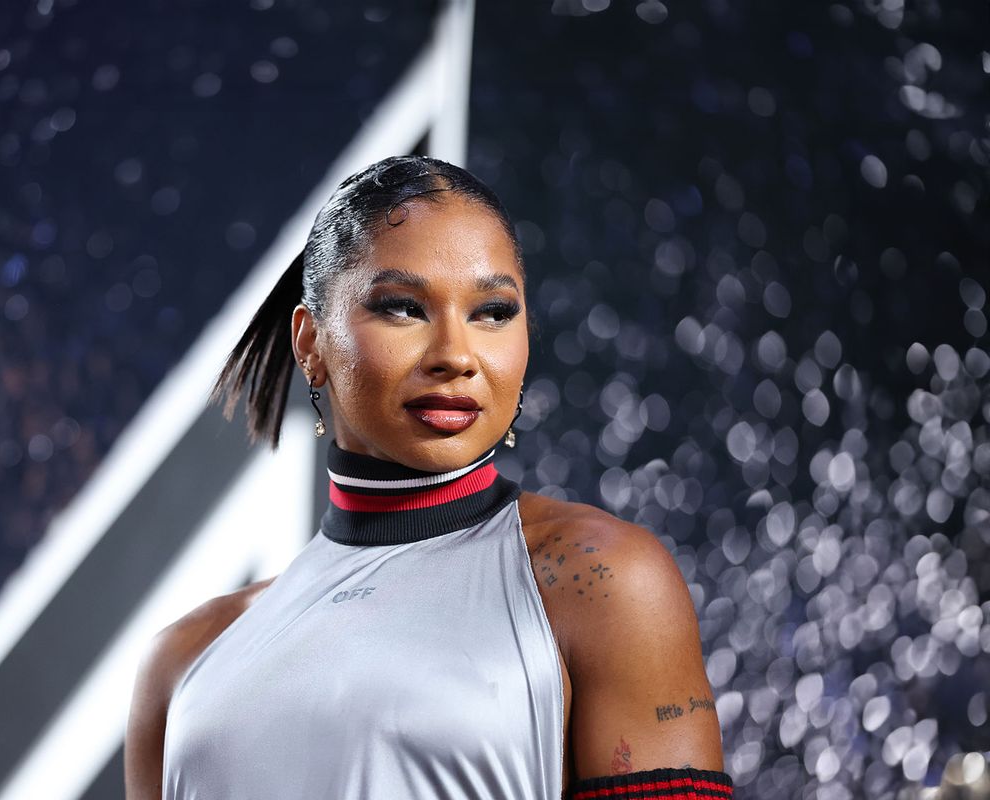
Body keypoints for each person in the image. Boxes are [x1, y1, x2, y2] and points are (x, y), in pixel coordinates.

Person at [124, 155, 732, 799]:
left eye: (492, 312)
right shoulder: (184, 661)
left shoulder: (601, 579)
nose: (455, 355)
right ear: (310, 342)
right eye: (402, 308)